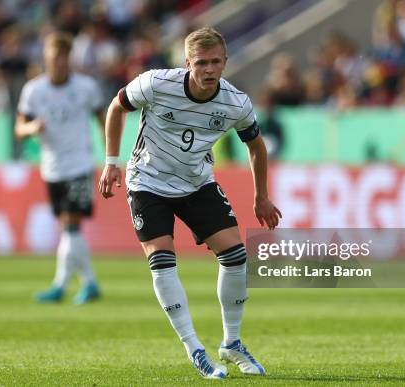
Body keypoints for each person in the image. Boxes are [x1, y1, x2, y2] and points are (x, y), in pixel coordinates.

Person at [99, 27, 281, 379]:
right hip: (147, 182)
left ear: (225, 62)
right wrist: (111, 161)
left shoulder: (235, 103)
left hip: (196, 182)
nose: (209, 69)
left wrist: (261, 197)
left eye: (216, 62)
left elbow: (255, 146)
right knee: (163, 259)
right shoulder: (156, 83)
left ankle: (231, 343)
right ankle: (194, 347)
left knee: (236, 256)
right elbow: (116, 107)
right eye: (201, 63)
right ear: (187, 63)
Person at [15, 31, 106, 304]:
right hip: (52, 167)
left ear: (70, 59)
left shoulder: (86, 87)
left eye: (64, 59)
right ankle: (89, 282)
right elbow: (19, 128)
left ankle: (60, 285)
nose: (59, 64)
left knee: (71, 225)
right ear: (46, 59)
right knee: (68, 225)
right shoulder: (33, 90)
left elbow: (104, 118)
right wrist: (33, 127)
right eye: (54, 59)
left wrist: (110, 155)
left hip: (79, 163)